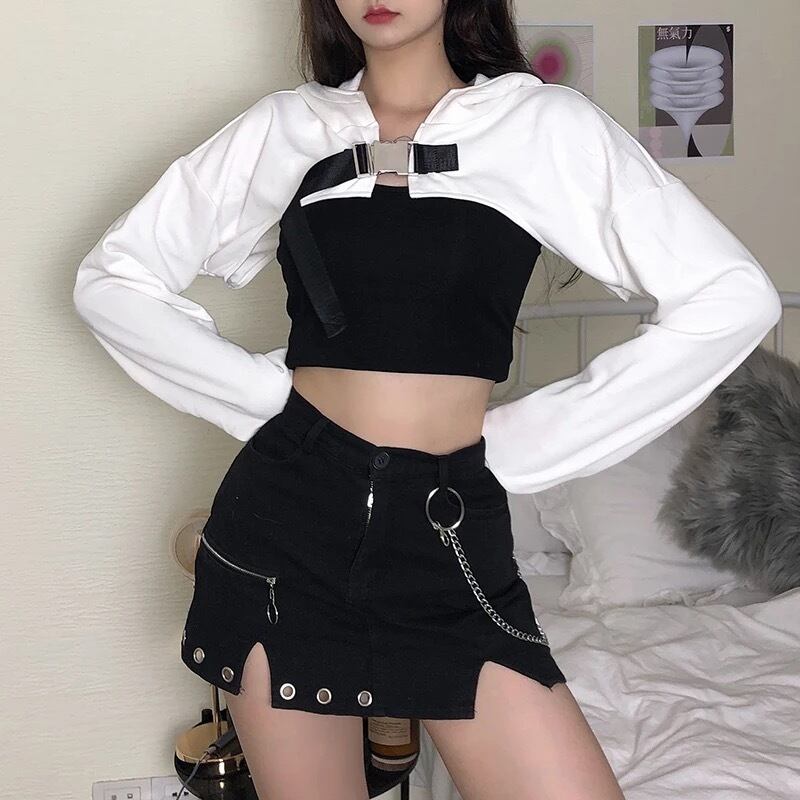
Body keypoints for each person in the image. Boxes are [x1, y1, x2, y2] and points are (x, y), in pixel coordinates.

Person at [72, 1, 781, 798]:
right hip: (284, 532)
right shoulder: (289, 128)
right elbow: (112, 280)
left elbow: (732, 297)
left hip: (449, 533)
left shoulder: (537, 126)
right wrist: (270, 402)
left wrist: (524, 444)